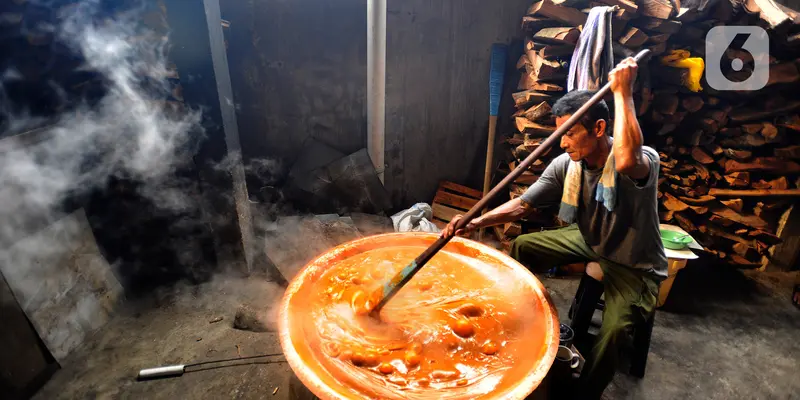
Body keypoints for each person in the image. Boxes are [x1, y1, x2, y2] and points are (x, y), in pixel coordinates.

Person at [442, 57, 667, 398]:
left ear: (600, 128)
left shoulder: (642, 159)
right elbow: (523, 204)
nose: (562, 143)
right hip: (591, 239)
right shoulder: (568, 165)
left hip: (632, 260)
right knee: (523, 248)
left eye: (570, 133)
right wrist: (475, 221)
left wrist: (625, 93)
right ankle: (521, 322)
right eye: (560, 134)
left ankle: (585, 393)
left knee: (614, 333)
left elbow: (625, 160)